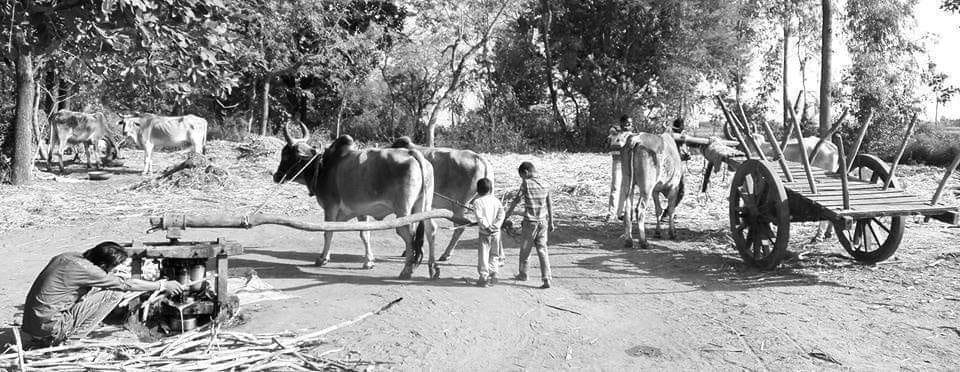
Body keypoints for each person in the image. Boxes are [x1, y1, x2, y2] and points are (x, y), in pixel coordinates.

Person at [22, 242, 183, 348]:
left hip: (32, 325)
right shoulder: (90, 271)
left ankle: (49, 337)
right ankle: (71, 341)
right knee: (114, 293)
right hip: (52, 329)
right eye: (113, 267)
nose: (112, 270)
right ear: (104, 264)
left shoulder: (67, 256)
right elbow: (127, 284)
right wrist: (162, 285)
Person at [504, 161, 555, 289]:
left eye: (522, 175)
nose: (522, 178)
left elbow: (516, 200)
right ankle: (546, 278)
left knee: (525, 250)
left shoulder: (526, 183)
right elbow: (550, 204)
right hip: (543, 223)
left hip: (529, 224)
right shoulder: (546, 183)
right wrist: (552, 222)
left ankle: (523, 274)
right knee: (543, 250)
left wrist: (506, 215)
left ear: (526, 172)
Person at [471, 178, 505, 287]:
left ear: (478, 190)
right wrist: (496, 226)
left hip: (484, 233)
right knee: (494, 254)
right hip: (496, 232)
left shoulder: (477, 202)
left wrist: (487, 227)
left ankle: (484, 277)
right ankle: (494, 274)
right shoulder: (496, 200)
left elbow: (479, 217)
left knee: (483, 254)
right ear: (490, 189)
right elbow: (501, 214)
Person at [606, 115, 634, 220]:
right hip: (617, 162)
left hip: (627, 163)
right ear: (621, 123)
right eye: (627, 123)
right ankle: (611, 213)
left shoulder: (632, 136)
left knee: (625, 188)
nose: (629, 125)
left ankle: (621, 213)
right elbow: (611, 134)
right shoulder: (615, 133)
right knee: (615, 187)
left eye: (630, 124)